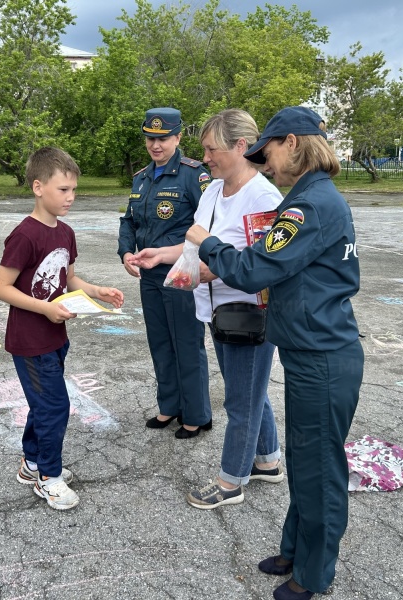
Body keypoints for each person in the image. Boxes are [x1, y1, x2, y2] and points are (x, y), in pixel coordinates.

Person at [186, 106, 364, 600]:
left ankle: (313, 575)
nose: (266, 162)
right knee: (306, 460)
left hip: (323, 357)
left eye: (269, 151)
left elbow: (252, 270)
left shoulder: (309, 206)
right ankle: (294, 548)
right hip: (312, 351)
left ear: (292, 142)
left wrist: (207, 244)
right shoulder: (308, 199)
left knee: (319, 468)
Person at [129, 109, 285, 508]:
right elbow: (195, 245)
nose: (207, 157)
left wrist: (204, 272)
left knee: (241, 400)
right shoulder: (215, 190)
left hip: (248, 313)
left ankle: (230, 482)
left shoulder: (264, 197)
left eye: (212, 149)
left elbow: (259, 263)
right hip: (216, 312)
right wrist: (160, 255)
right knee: (248, 389)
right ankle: (267, 461)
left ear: (240, 146)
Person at [0, 147, 124, 510]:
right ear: (37, 187)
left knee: (43, 403)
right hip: (30, 339)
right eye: (63, 189)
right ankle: (48, 477)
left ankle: (31, 461)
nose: (71, 197)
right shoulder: (24, 235)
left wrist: (95, 291)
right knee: (54, 407)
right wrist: (45, 309)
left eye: (74, 190)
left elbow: (68, 277)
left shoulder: (64, 232)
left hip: (55, 335)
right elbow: (0, 287)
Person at [117, 107, 213, 439]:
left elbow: (208, 226)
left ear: (178, 137)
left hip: (182, 272)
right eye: (150, 138)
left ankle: (197, 414)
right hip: (150, 275)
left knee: (186, 343)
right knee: (160, 342)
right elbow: (128, 221)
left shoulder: (194, 175)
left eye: (163, 138)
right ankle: (169, 405)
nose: (156, 145)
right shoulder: (141, 178)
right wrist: (126, 252)